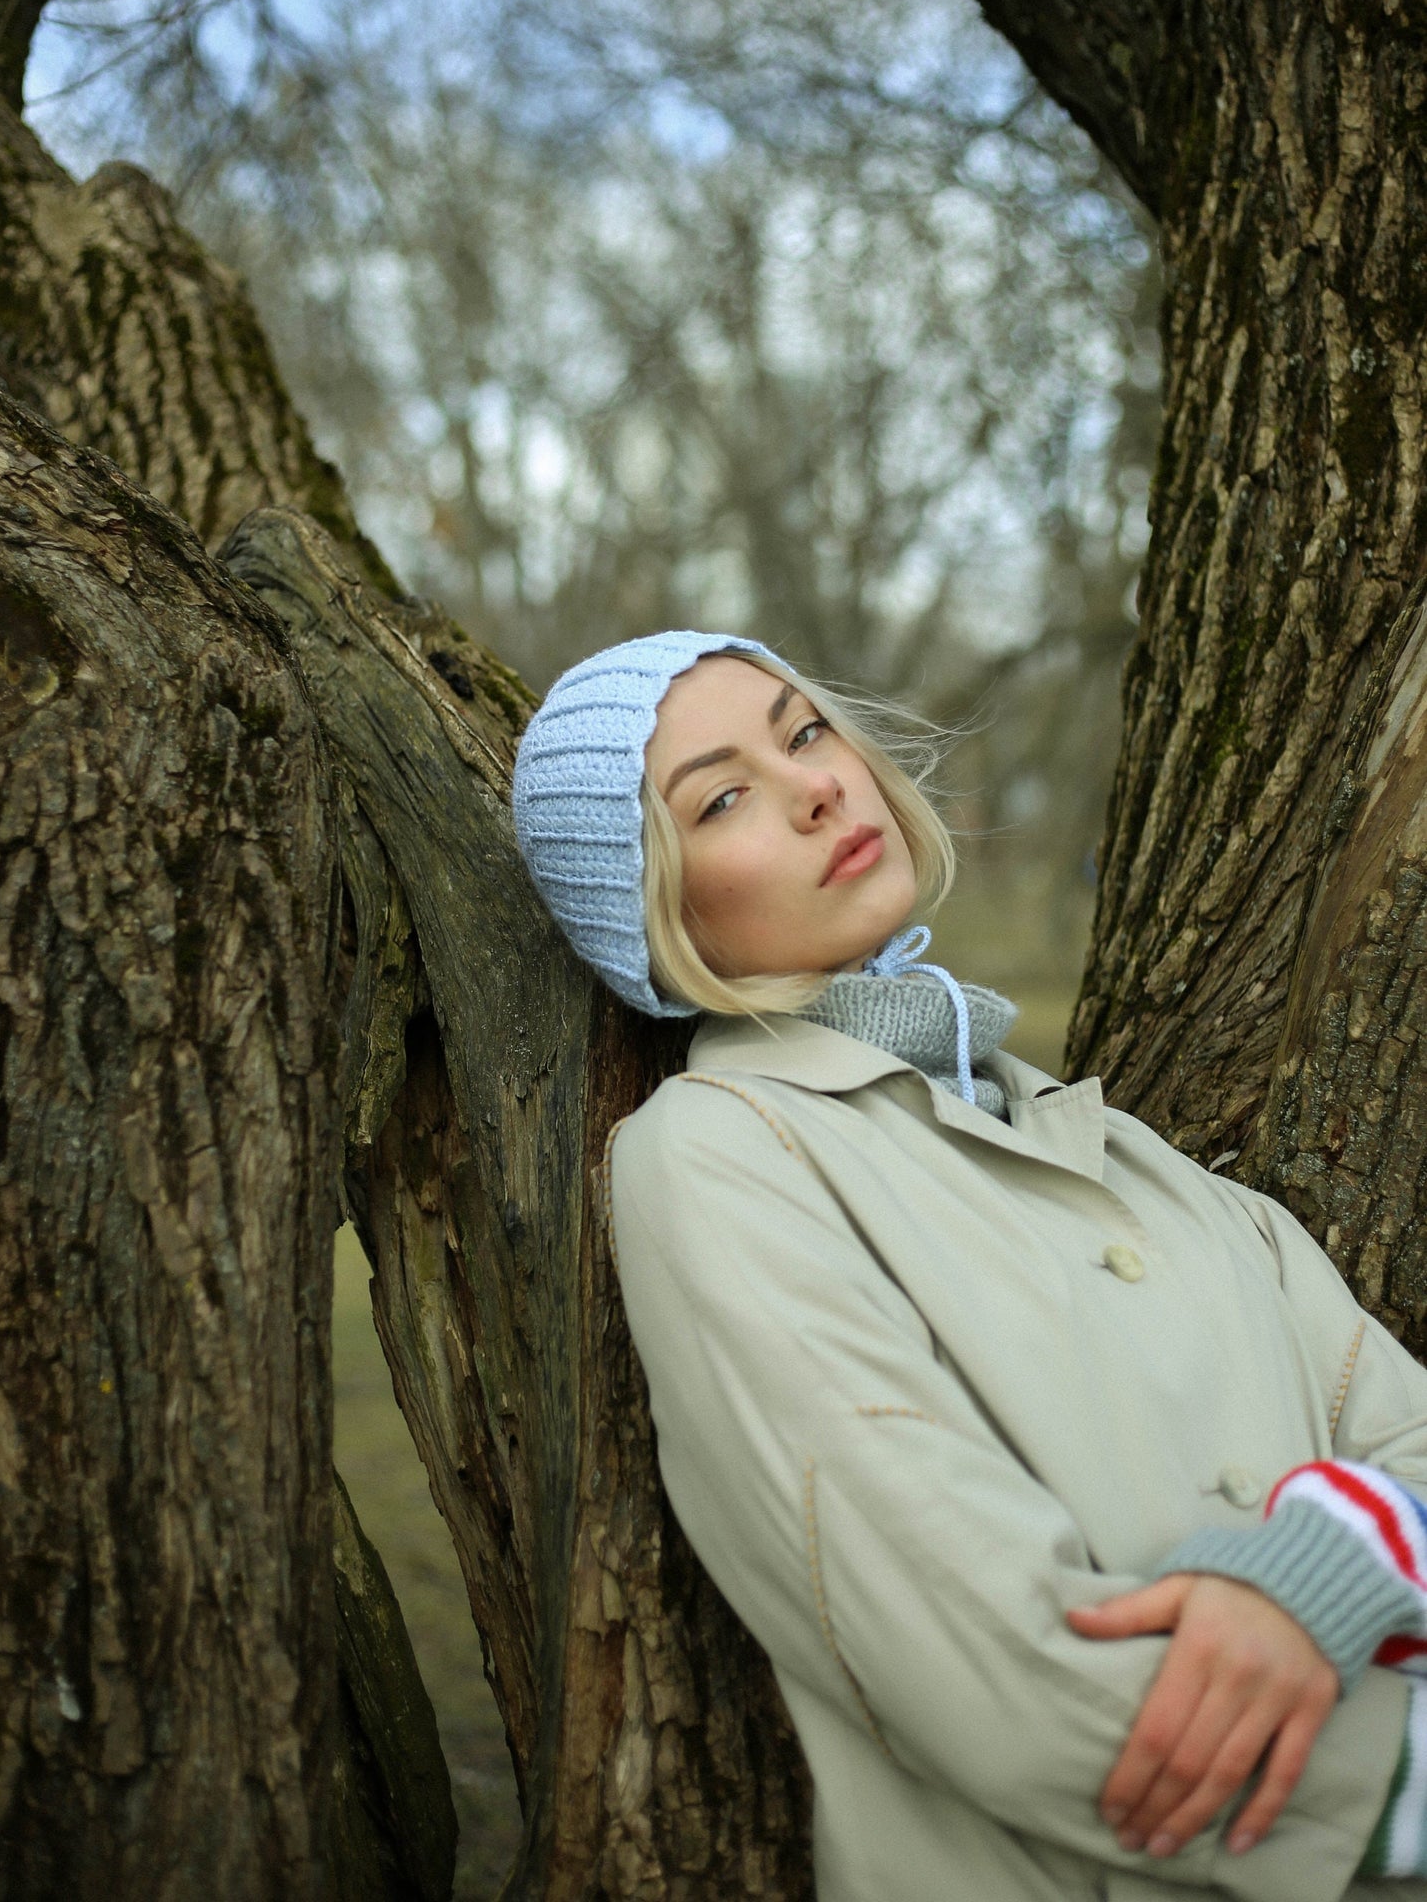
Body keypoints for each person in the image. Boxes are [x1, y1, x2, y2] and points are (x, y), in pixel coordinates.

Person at [511, 629, 1427, 1902]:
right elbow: (986, 1669)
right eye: (721, 796)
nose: (816, 785)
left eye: (803, 731)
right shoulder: (721, 1158)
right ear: (654, 910)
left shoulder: (1126, 1152)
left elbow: (1410, 1438)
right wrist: (1393, 1780)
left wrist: (1314, 1570)